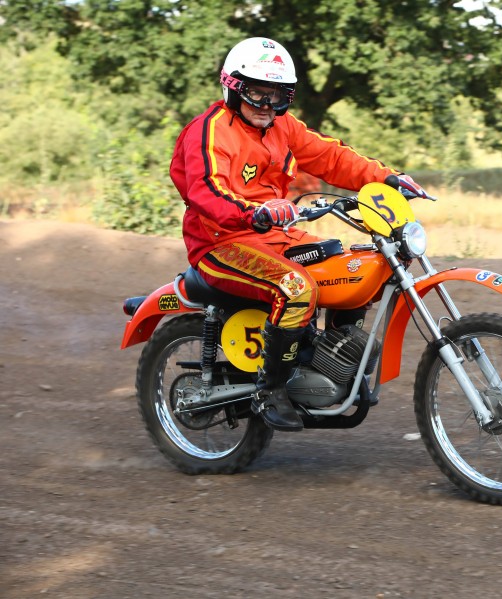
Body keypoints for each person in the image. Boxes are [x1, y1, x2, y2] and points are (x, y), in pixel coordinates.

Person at [169, 37, 427, 432]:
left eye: (276, 95)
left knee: (349, 265)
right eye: (257, 92)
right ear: (233, 87)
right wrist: (254, 212)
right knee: (296, 288)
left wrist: (387, 177)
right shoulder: (209, 130)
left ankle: (330, 360)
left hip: (276, 236)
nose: (266, 104)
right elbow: (206, 191)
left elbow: (331, 156)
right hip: (221, 243)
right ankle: (270, 389)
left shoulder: (282, 126)